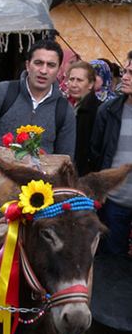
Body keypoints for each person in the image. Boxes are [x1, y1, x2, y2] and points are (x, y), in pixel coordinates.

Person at [0, 38, 76, 196]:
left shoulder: (64, 110)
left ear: (58, 71)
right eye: (38, 63)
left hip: (37, 195)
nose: (43, 70)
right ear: (28, 65)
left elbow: (65, 162)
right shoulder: (4, 92)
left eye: (51, 65)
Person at [90, 56, 132, 256]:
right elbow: (96, 153)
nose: (125, 77)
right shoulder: (108, 111)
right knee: (112, 263)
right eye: (125, 71)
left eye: (131, 73)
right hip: (114, 203)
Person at [66, 60, 100, 176]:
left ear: (90, 84)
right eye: (71, 79)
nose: (74, 84)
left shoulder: (97, 111)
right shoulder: (69, 107)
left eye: (79, 80)